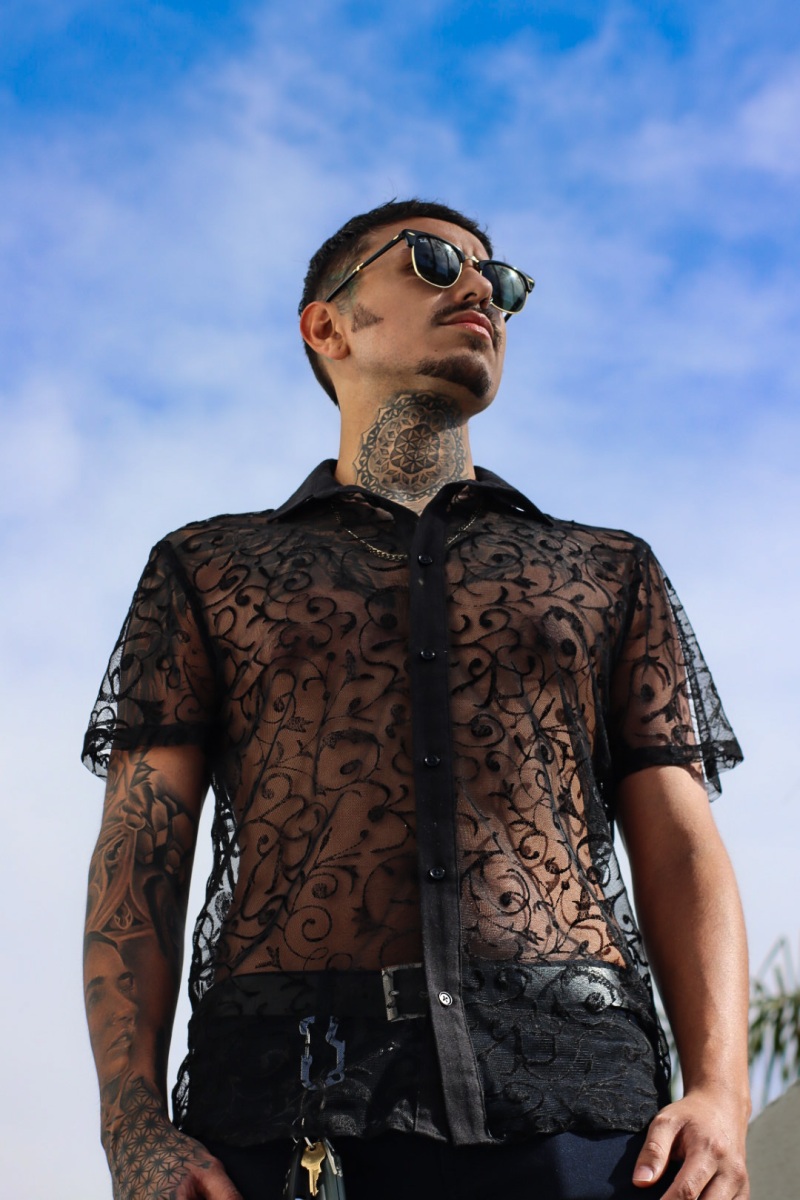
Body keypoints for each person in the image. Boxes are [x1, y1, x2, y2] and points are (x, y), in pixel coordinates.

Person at [83, 199, 751, 1200]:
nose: (481, 288)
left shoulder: (607, 571)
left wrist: (720, 1092)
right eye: (434, 261)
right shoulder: (209, 569)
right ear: (327, 325)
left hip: (584, 1116)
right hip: (287, 1106)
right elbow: (140, 852)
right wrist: (131, 1123)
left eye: (502, 281)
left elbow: (679, 841)